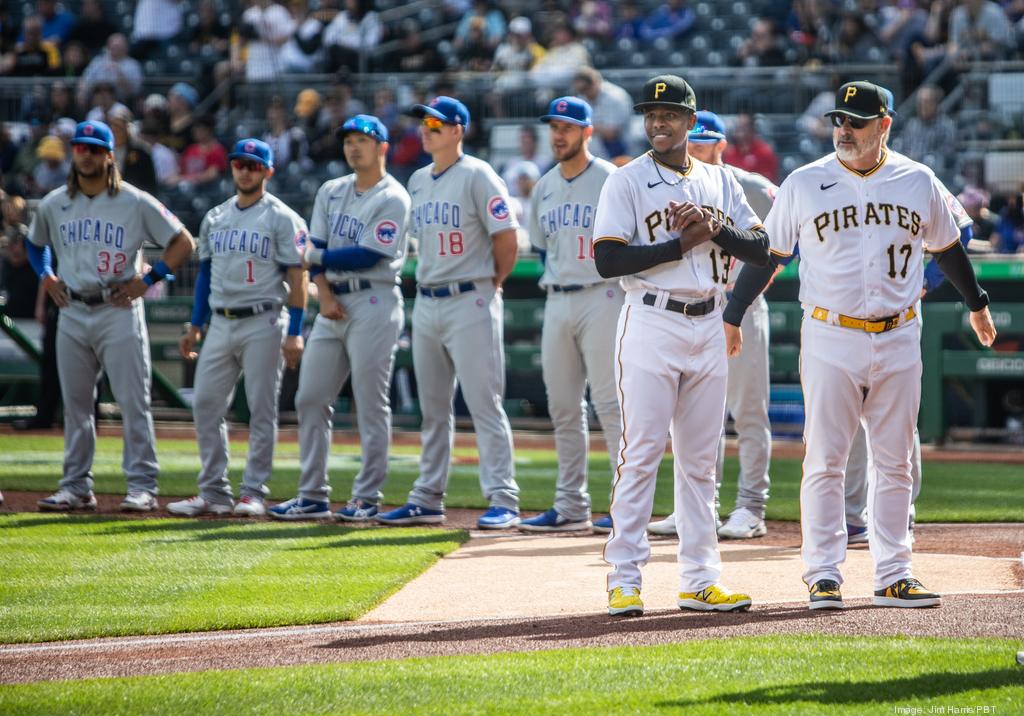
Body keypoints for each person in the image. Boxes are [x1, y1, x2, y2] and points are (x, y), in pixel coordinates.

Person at [724, 81, 996, 610]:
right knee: (826, 458)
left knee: (896, 462)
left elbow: (946, 248)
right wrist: (733, 314)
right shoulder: (804, 182)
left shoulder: (918, 181)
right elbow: (770, 255)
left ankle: (895, 572)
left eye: (856, 121)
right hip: (831, 333)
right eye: (839, 120)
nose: (844, 130)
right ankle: (823, 573)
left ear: (884, 125)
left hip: (898, 334)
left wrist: (977, 301)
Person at [594, 75, 768, 617]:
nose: (657, 122)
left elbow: (763, 248)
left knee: (700, 462)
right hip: (650, 320)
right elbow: (607, 260)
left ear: (692, 122)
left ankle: (699, 580)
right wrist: (679, 243)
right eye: (650, 114)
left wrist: (717, 231)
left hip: (709, 321)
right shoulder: (625, 181)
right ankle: (624, 577)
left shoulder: (720, 180)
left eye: (669, 114)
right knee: (641, 453)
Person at [27, 120, 195, 512]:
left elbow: (182, 242)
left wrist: (148, 279)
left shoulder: (134, 200)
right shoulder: (54, 202)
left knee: (134, 402)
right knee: (76, 405)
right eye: (80, 148)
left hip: (118, 308)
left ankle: (142, 485)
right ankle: (76, 486)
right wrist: (46, 276)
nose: (85, 154)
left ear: (109, 155)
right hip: (72, 308)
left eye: (93, 149)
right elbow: (36, 245)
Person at [376, 96, 521, 530]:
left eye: (437, 124)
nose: (427, 129)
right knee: (433, 408)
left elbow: (507, 239)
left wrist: (490, 284)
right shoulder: (418, 179)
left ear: (459, 130)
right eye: (424, 122)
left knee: (483, 403)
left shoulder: (478, 174)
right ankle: (427, 496)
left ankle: (503, 498)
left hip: (470, 298)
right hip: (429, 299)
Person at [271, 115, 410, 521]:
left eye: (362, 140)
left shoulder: (393, 196)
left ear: (381, 147)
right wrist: (325, 293)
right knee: (310, 397)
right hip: (332, 304)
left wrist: (315, 260)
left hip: (374, 300)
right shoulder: (331, 190)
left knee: (370, 403)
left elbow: (369, 253)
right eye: (348, 140)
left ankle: (367, 496)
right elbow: (315, 245)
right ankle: (312, 494)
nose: (353, 147)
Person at [647, 110, 777, 541]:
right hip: (696, 308)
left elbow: (775, 251)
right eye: (694, 141)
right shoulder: (675, 187)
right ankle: (698, 508)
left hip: (742, 306)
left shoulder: (751, 186)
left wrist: (741, 303)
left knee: (748, 411)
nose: (698, 149)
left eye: (706, 142)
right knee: (698, 416)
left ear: (722, 144)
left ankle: (751, 507)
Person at [168, 139, 308, 518]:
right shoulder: (215, 216)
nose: (245, 170)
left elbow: (298, 278)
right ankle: (213, 491)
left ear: (267, 171)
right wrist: (195, 325)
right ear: (231, 168)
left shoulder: (282, 217)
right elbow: (205, 276)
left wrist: (295, 330)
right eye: (239, 164)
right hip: (221, 322)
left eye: (253, 164)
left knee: (262, 410)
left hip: (264, 319)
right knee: (206, 404)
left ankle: (253, 492)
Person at [518, 97, 622, 533]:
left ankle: (625, 504)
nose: (559, 134)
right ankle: (569, 504)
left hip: (604, 295)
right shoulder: (543, 185)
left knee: (612, 405)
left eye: (567, 126)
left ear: (587, 132)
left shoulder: (612, 179)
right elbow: (542, 246)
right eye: (554, 127)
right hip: (558, 298)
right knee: (562, 406)